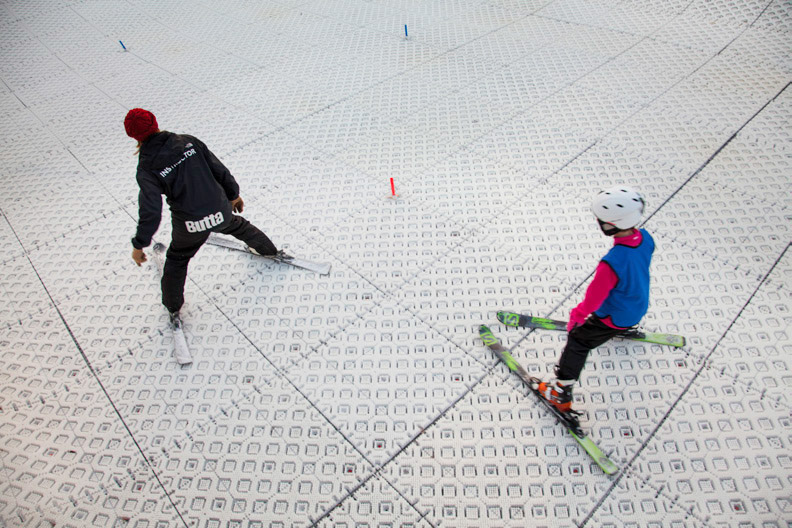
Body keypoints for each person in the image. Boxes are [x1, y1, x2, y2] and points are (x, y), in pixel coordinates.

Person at [125, 108, 280, 320]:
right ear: (155, 122)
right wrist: (233, 195)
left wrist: (139, 244)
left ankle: (173, 307)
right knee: (239, 226)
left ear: (132, 135)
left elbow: (150, 210)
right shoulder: (187, 142)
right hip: (219, 209)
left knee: (178, 259)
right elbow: (219, 169)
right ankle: (269, 250)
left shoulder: (146, 168)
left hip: (190, 224)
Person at [538, 186, 654, 413]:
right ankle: (622, 329)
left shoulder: (611, 262)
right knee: (617, 316)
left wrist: (577, 316)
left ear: (611, 224)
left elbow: (594, 299)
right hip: (637, 307)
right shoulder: (645, 239)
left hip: (613, 316)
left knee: (578, 342)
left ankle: (561, 392)